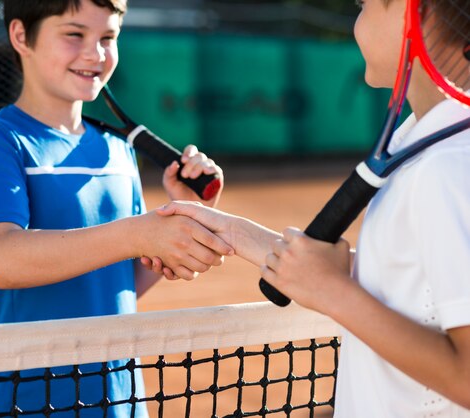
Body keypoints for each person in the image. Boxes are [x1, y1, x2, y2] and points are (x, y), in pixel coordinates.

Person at [156, 0, 470, 415]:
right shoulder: (433, 151)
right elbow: (413, 286)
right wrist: (238, 235)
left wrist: (332, 291)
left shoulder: (445, 166)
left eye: (365, 6)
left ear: (419, 13)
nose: (356, 23)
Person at [0, 0, 231, 416]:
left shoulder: (117, 151)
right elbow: (4, 260)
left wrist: (181, 212)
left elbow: (118, 285)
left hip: (119, 398)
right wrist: (140, 232)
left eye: (108, 38)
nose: (95, 53)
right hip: (24, 401)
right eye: (74, 34)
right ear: (21, 36)